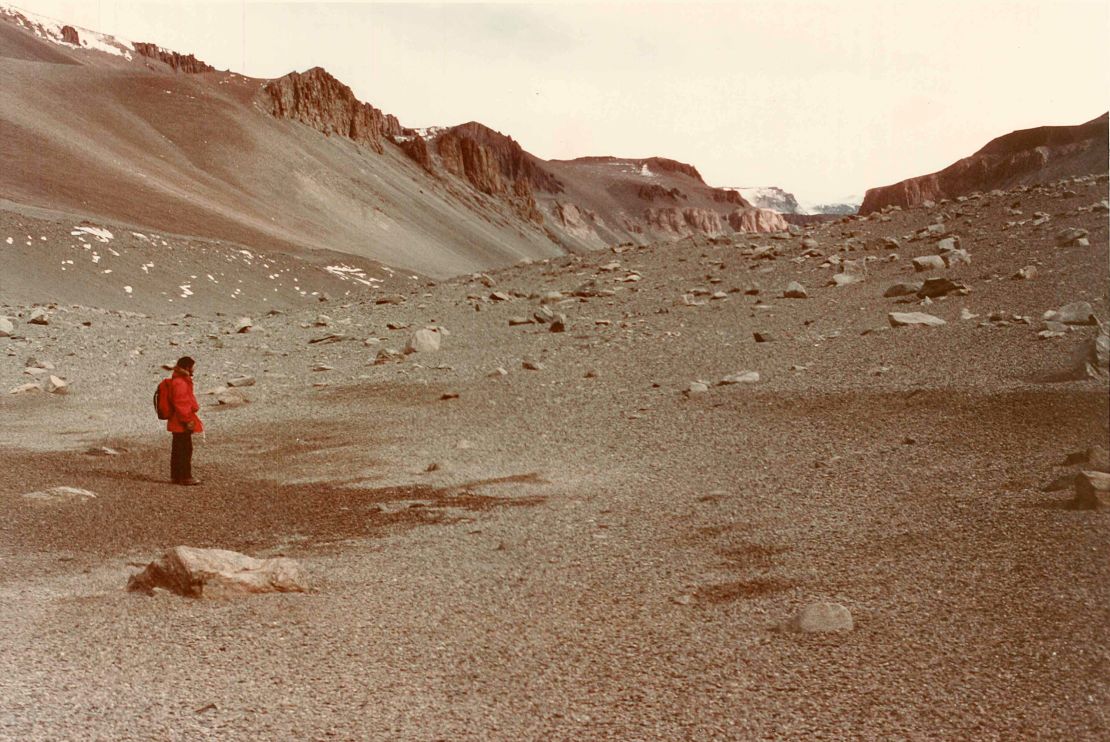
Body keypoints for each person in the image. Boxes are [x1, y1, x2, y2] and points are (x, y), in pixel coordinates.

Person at [167, 356, 203, 485]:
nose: (194, 369)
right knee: (185, 449)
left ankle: (176, 476)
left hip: (176, 421)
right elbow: (181, 403)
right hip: (181, 422)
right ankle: (185, 476)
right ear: (187, 367)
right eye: (193, 367)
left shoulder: (178, 380)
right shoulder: (181, 382)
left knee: (178, 449)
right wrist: (188, 420)